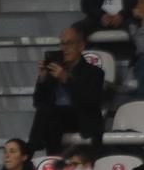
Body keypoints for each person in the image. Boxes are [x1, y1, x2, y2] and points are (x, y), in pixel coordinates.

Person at [30, 25, 104, 155]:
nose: (64, 48)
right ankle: (49, 156)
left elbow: (89, 102)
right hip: (55, 119)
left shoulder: (94, 73)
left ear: (81, 46)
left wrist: (66, 80)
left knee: (50, 114)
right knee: (48, 113)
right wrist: (42, 78)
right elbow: (38, 102)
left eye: (69, 43)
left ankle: (31, 148)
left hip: (79, 118)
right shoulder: (53, 70)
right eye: (62, 44)